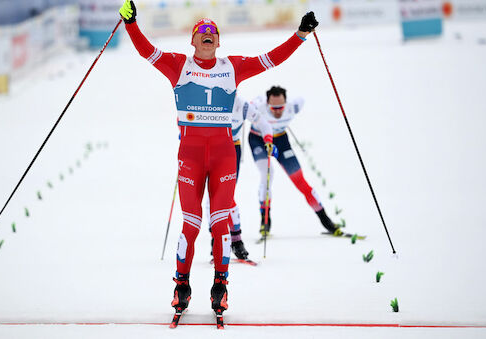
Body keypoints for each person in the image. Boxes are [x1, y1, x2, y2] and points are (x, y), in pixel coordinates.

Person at [118, 0, 318, 321]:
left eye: (213, 32)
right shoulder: (178, 66)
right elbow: (146, 51)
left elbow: (270, 60)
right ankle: (181, 285)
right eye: (202, 31)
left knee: (220, 221)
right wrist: (131, 23)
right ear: (193, 40)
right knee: (192, 224)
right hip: (191, 156)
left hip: (224, 155)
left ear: (218, 41)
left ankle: (220, 285)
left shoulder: (232, 67)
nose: (208, 34)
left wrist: (300, 35)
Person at [249, 86, 340, 237]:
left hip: (280, 140)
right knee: (267, 173)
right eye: (274, 107)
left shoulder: (294, 106)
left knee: (299, 180)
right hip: (258, 140)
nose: (278, 111)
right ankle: (265, 221)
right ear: (267, 104)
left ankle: (326, 220)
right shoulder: (258, 107)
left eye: (281, 107)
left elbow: (304, 97)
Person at [209, 97, 273, 261]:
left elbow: (264, 124)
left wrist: (268, 140)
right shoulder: (211, 97)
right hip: (211, 149)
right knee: (213, 196)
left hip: (232, 150)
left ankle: (236, 240)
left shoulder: (242, 105)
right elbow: (186, 116)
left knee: (226, 196)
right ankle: (216, 239)